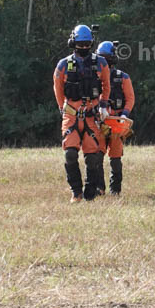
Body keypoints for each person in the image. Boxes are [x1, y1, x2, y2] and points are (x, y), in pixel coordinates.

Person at [53, 24, 111, 202]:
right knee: (70, 153)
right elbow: (58, 88)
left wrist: (102, 105)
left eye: (87, 44)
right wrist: (63, 108)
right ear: (73, 43)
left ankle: (90, 192)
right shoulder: (63, 65)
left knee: (92, 157)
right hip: (71, 114)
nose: (84, 48)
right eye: (81, 44)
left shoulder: (100, 63)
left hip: (92, 114)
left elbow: (106, 86)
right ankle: (76, 192)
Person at [96, 40, 135, 196]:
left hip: (117, 122)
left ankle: (115, 190)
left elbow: (130, 98)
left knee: (116, 157)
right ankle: (99, 188)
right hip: (99, 121)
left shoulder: (122, 77)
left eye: (106, 57)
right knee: (96, 155)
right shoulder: (94, 77)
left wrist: (125, 114)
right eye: (101, 57)